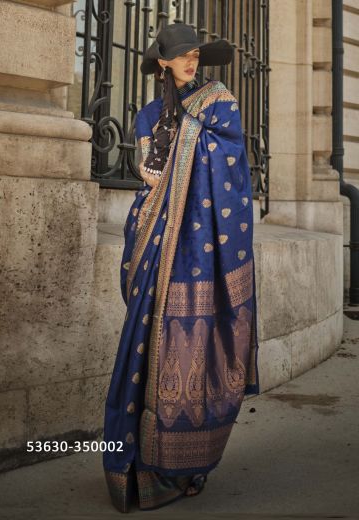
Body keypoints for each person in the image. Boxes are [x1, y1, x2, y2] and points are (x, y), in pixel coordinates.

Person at [102, 22, 260, 513]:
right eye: (184, 56)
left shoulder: (219, 102)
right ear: (163, 62)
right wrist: (152, 174)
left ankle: (188, 466)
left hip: (201, 251)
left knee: (195, 348)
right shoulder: (149, 114)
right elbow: (150, 174)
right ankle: (139, 472)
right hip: (156, 246)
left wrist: (184, 147)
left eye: (196, 54)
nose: (193, 61)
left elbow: (233, 164)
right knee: (147, 347)